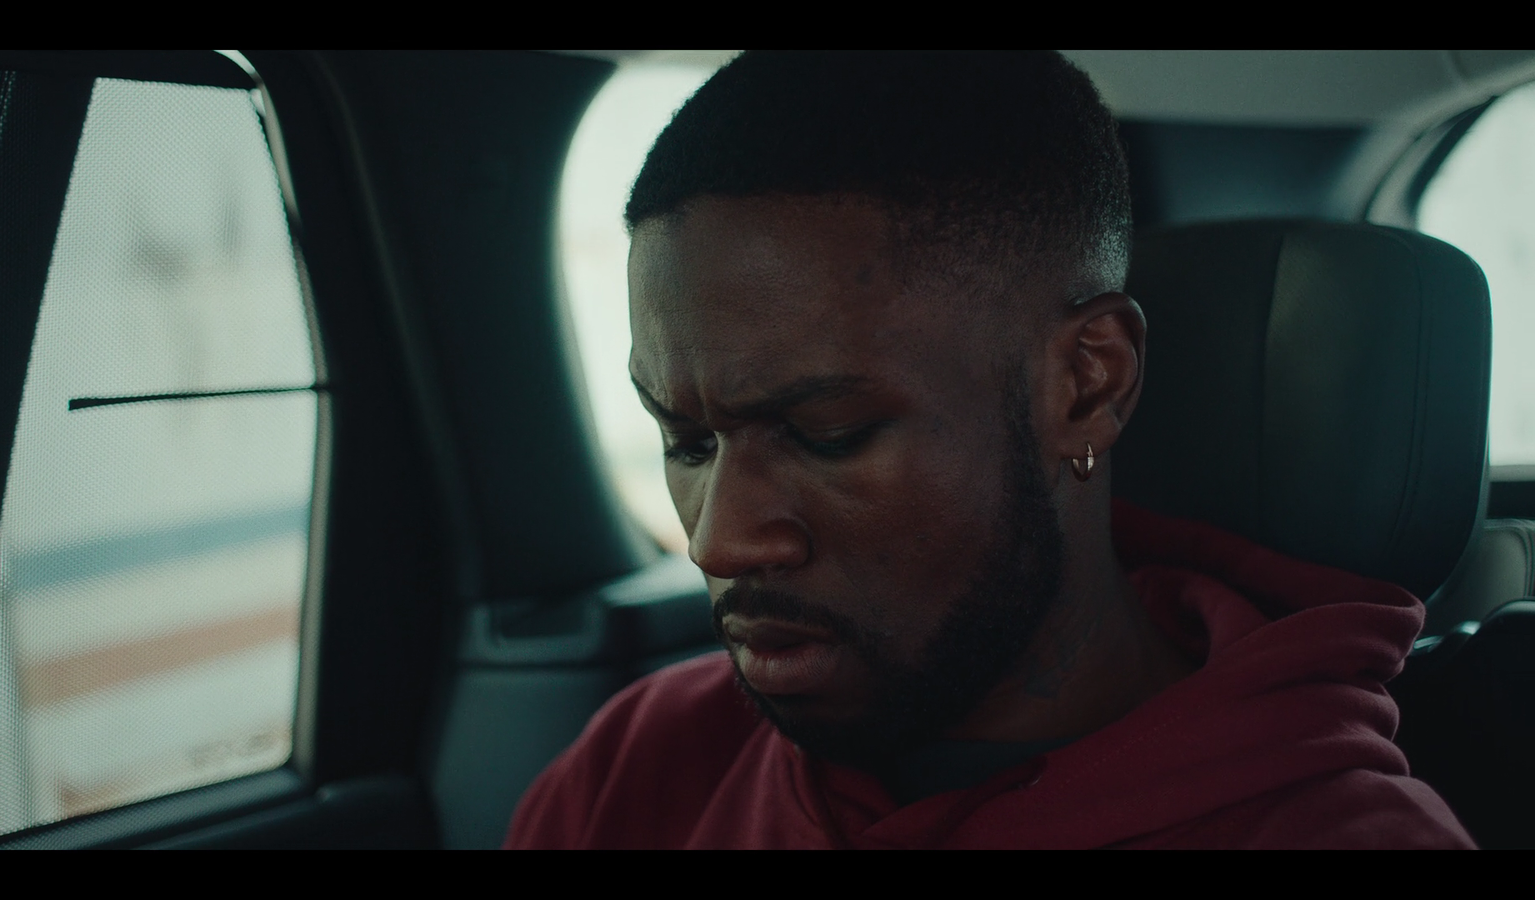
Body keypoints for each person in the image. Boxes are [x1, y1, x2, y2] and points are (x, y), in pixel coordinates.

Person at [503, 50, 1475, 849]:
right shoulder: (643, 762)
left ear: (1085, 383)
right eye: (686, 441)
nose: (718, 543)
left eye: (826, 435)